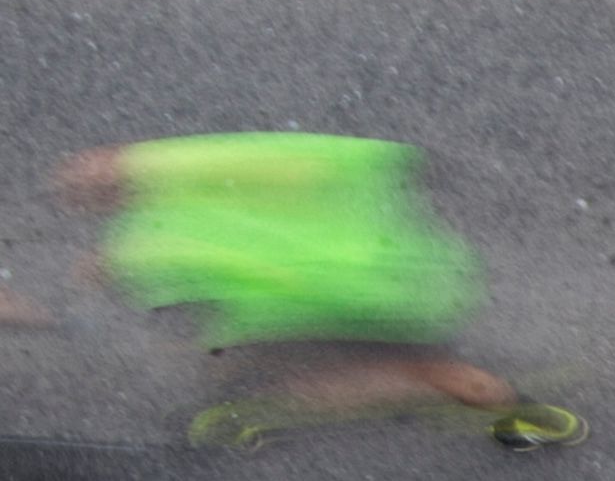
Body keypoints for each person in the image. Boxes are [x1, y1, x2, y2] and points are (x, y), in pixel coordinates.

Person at [56, 136, 578, 448]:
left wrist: (112, 262)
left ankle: (518, 408)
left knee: (354, 379)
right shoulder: (174, 183)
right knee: (270, 365)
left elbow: (199, 247)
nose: (76, 188)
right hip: (373, 280)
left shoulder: (166, 197)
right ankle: (496, 400)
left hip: (357, 296)